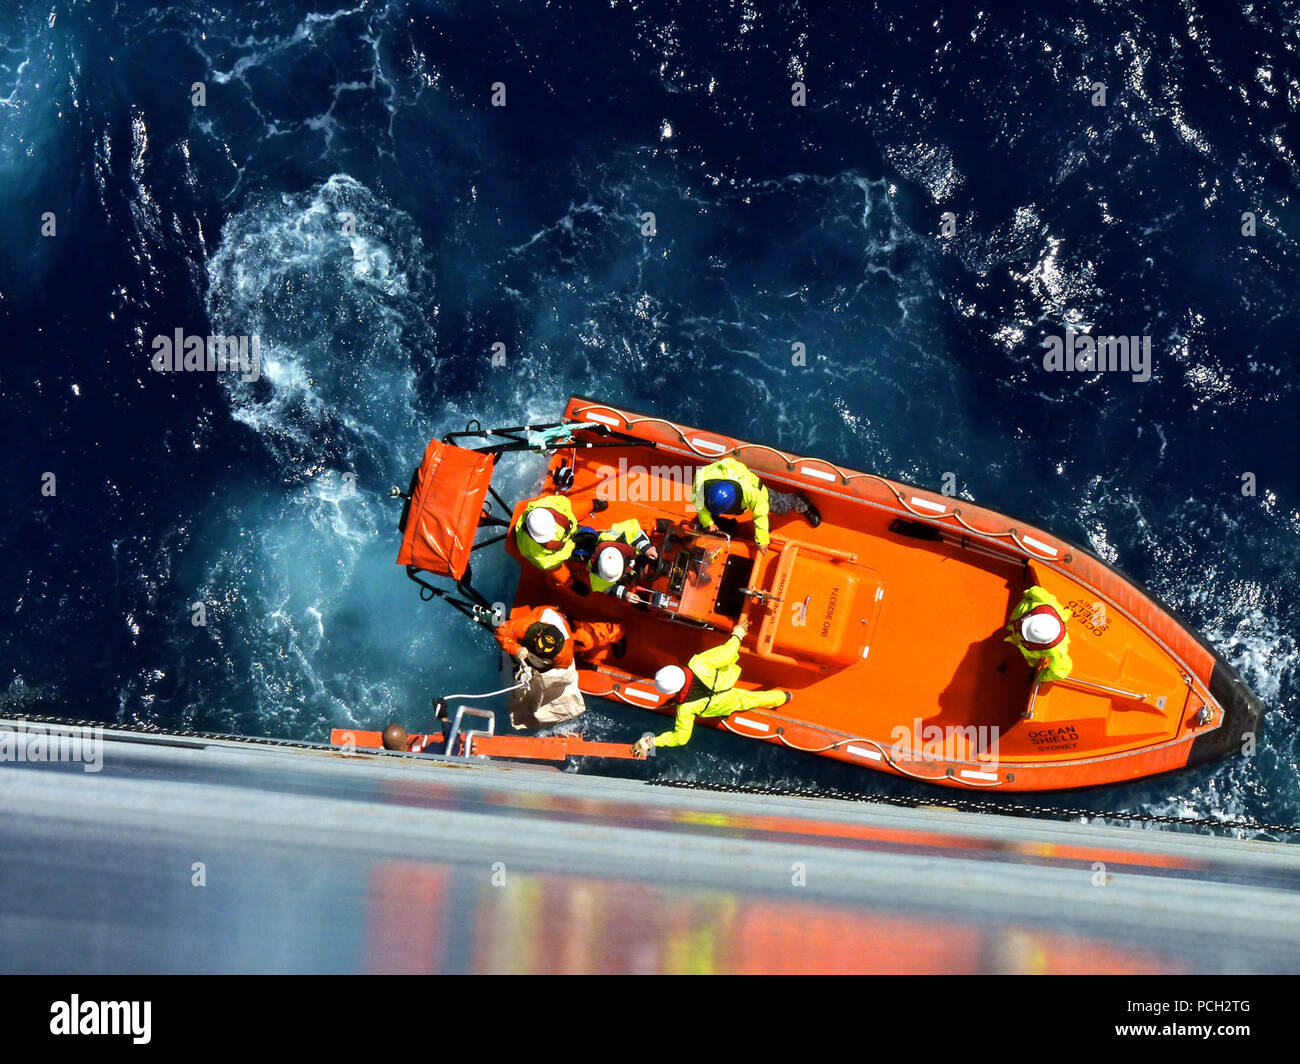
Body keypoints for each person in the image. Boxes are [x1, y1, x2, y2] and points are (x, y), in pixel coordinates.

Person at [631, 620, 792, 756]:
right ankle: (784, 696)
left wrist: (653, 741)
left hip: (724, 703)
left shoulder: (684, 709)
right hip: (727, 679)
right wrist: (737, 635)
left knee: (752, 700)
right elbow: (728, 654)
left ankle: (785, 697)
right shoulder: (698, 664)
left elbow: (681, 738)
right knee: (753, 699)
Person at [692, 456, 820, 553]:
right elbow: (698, 500)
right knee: (705, 521)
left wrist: (762, 540)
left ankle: (801, 503)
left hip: (755, 490)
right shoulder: (702, 480)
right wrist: (708, 522)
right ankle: (730, 528)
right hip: (721, 496)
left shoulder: (751, 493)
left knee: (781, 507)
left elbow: (760, 514)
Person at [493, 604, 625, 672]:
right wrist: (515, 649)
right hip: (542, 614)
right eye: (541, 644)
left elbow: (564, 666)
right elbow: (501, 631)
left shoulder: (564, 653)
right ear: (539, 635)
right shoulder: (525, 627)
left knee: (590, 639)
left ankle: (618, 633)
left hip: (568, 628)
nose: (540, 649)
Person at [514, 494, 609, 586]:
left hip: (567, 529)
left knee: (578, 507)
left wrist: (575, 530)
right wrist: (572, 544)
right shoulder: (532, 550)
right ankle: (571, 583)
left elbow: (565, 504)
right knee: (560, 574)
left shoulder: (548, 504)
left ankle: (592, 504)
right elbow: (551, 562)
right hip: (561, 551)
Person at [1004, 585, 1074, 684]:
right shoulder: (1047, 602)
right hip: (1016, 625)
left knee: (1032, 662)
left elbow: (1060, 671)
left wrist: (1041, 677)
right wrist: (1028, 593)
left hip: (1030, 652)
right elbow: (1036, 591)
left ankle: (1031, 666)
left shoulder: (1057, 649)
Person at [586, 519, 659, 593]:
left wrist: (646, 548)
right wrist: (625, 594)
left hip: (639, 550)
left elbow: (632, 527)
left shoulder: (616, 535)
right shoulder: (598, 574)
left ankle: (659, 525)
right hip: (633, 564)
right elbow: (605, 588)